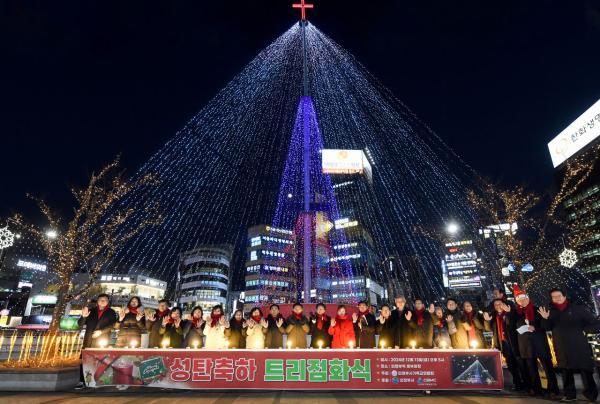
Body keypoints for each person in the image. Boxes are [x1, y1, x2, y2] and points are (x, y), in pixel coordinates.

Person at [539, 288, 600, 402]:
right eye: (554, 297)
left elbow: (595, 324)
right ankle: (570, 395)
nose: (557, 299)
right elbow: (546, 328)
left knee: (585, 371)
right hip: (561, 346)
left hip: (579, 345)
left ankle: (591, 394)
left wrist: (584, 330)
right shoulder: (550, 311)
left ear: (564, 296)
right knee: (566, 371)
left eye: (559, 296)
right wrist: (546, 318)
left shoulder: (578, 308)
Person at [511, 285, 559, 398]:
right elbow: (511, 326)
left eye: (524, 299)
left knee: (547, 367)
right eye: (519, 300)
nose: (522, 301)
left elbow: (546, 326)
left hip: (539, 342)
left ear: (528, 298)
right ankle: (536, 389)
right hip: (526, 344)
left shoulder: (538, 309)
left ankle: (553, 389)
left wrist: (536, 327)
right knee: (531, 369)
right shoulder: (517, 313)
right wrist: (509, 313)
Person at [484, 299, 528, 391]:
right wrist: (487, 321)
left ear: (504, 304)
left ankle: (527, 384)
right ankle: (518, 384)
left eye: (500, 304)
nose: (498, 306)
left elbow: (512, 324)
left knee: (521, 365)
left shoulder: (512, 312)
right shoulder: (495, 316)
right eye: (495, 305)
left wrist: (508, 313)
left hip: (514, 343)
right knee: (511, 365)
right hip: (503, 343)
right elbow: (489, 329)